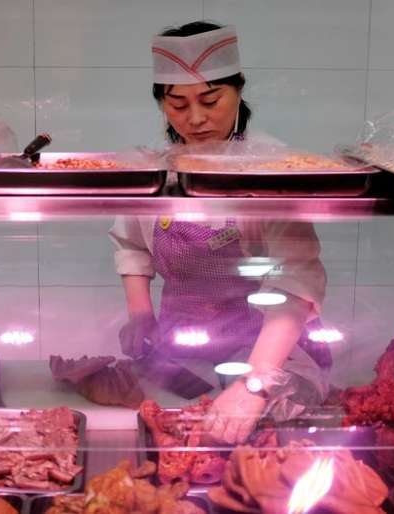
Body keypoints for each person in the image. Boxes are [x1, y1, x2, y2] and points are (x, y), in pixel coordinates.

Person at [109, 21, 330, 445]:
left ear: (239, 88)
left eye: (211, 100)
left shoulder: (272, 169)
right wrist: (140, 314)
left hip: (262, 349)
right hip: (178, 351)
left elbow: (296, 279)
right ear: (161, 104)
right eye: (177, 105)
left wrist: (254, 384)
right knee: (163, 432)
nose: (195, 118)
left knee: (257, 444)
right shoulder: (157, 168)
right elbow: (131, 243)